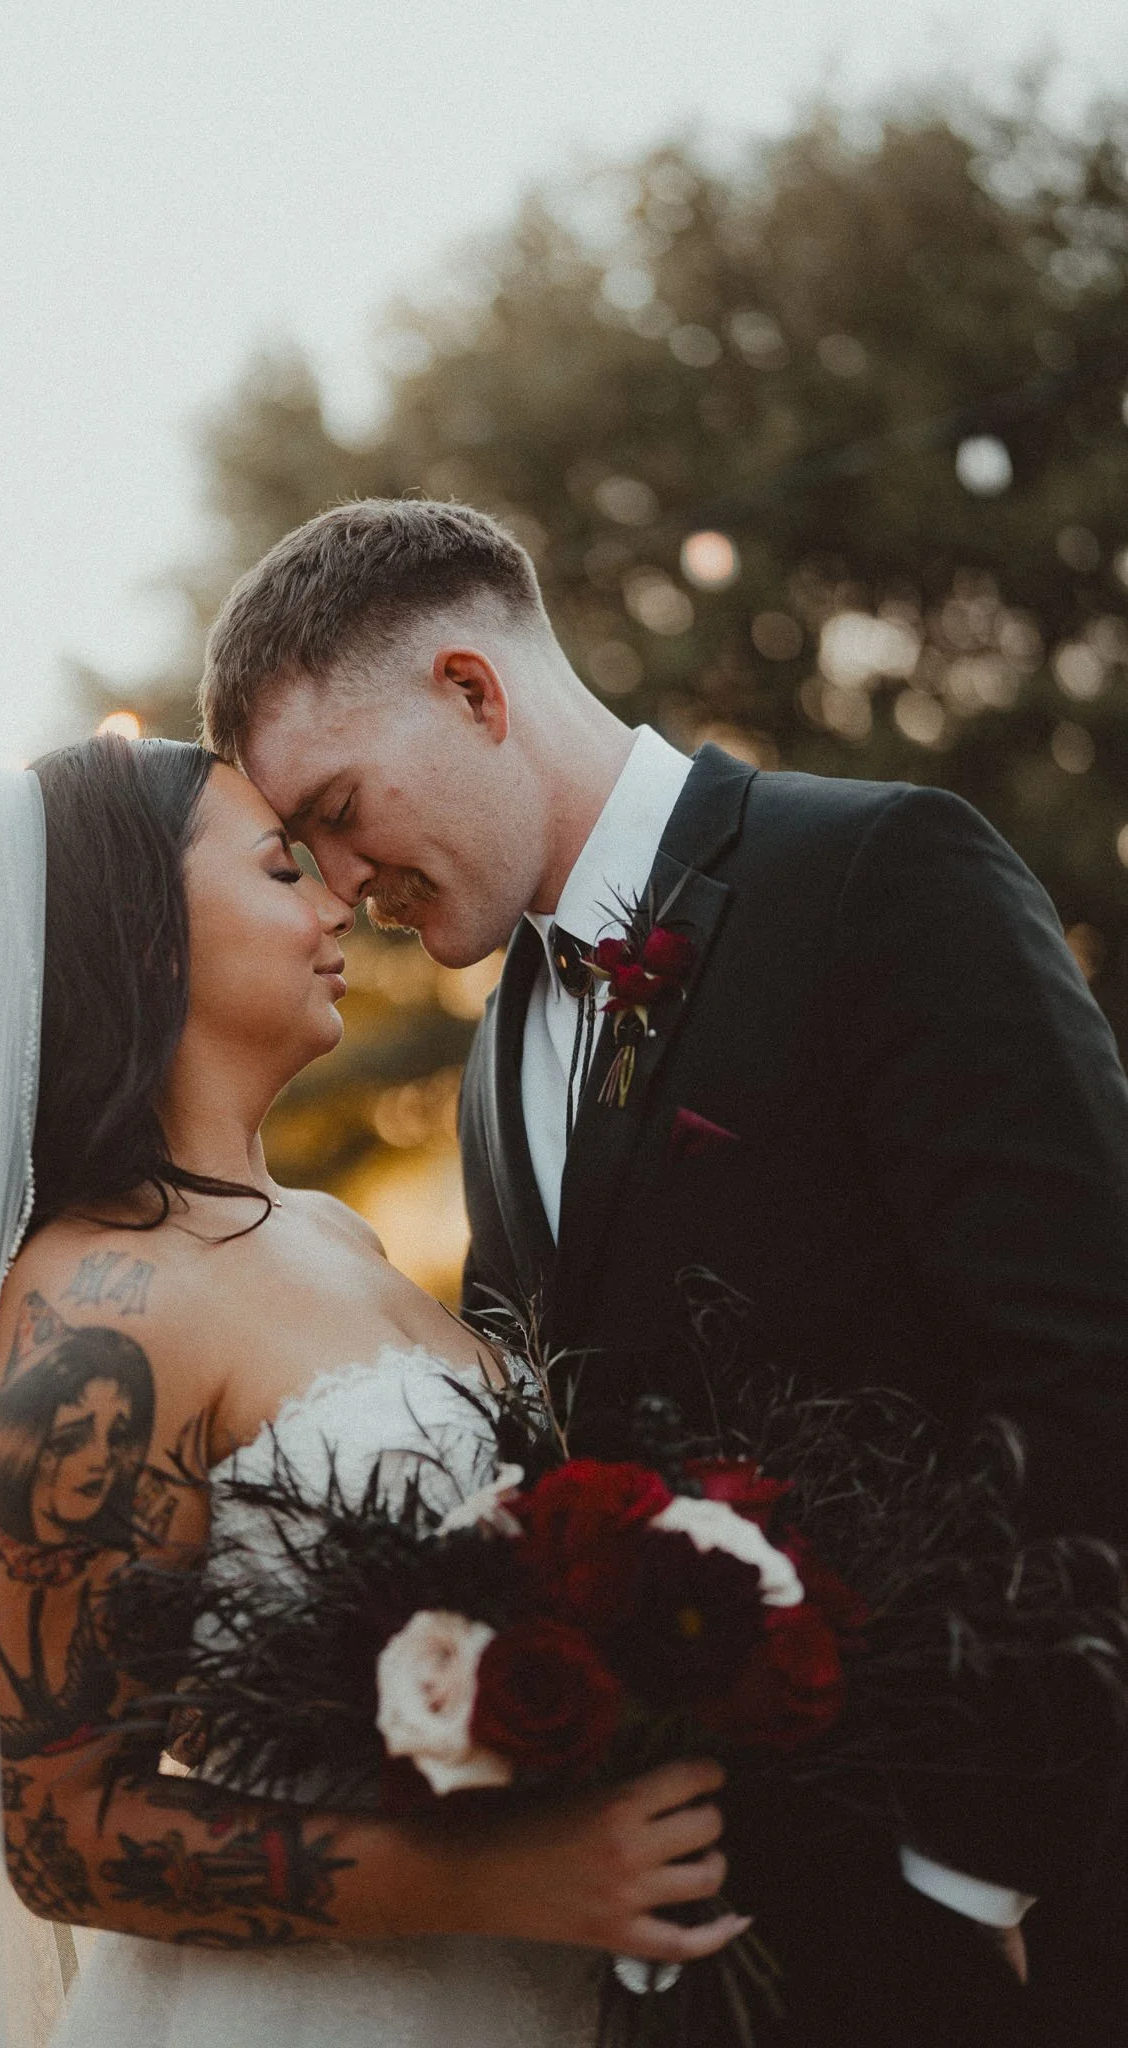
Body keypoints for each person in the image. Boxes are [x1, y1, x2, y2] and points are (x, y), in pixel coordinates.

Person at [200, 497, 1128, 2048]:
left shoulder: (877, 873)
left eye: (342, 808)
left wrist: (973, 1871)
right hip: (705, 1950)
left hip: (999, 1921)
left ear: (471, 691)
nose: (343, 881)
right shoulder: (496, 1059)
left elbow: (1088, 1371)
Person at [0, 733, 743, 2048]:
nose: (336, 904)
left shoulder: (330, 1233)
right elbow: (62, 1831)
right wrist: (507, 1879)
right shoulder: (95, 1312)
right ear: (150, 939)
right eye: (278, 869)